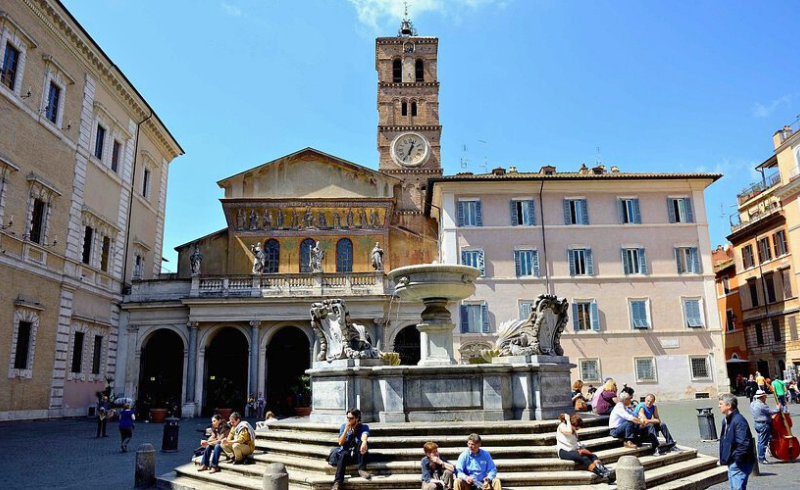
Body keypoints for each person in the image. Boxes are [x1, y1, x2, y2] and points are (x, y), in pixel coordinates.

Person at [556, 413, 615, 482]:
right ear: (572, 424)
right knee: (584, 458)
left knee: (593, 456)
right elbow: (568, 432)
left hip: (574, 450)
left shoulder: (573, 430)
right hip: (564, 451)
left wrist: (581, 447)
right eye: (576, 428)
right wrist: (568, 420)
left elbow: (574, 442)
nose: (577, 429)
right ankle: (602, 474)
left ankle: (605, 471)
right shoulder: (562, 426)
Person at [718, 393, 754, 490]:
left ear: (729, 405)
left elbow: (744, 443)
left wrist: (736, 461)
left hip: (739, 463)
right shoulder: (726, 421)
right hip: (732, 461)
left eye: (721, 404)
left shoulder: (738, 420)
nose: (719, 406)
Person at [331, 408, 371, 490]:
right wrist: (345, 430)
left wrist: (364, 442)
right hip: (346, 454)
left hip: (358, 454)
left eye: (351, 418)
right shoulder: (343, 426)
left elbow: (364, 434)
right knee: (343, 454)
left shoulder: (363, 427)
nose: (349, 420)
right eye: (347, 418)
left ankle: (361, 469)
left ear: (357, 418)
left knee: (362, 443)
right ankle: (337, 482)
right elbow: (340, 443)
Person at [749, 389, 780, 465]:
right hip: (763, 425)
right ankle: (762, 458)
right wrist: (778, 408)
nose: (766, 398)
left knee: (762, 440)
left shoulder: (752, 404)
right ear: (761, 397)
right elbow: (771, 412)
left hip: (757, 423)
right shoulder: (762, 405)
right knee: (762, 442)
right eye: (765, 396)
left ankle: (769, 451)